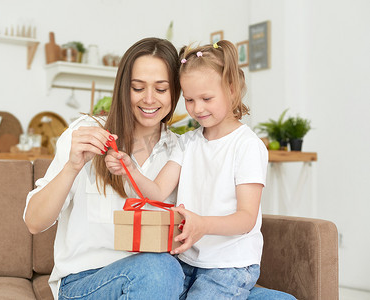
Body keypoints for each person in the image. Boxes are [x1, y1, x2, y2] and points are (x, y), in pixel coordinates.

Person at [106, 40, 296, 300]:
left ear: (231, 90)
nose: (197, 108)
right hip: (187, 260)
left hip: (228, 266)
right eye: (189, 100)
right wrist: (132, 170)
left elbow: (246, 218)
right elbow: (158, 191)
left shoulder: (247, 146)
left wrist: (202, 225)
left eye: (206, 98)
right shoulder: (187, 143)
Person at [23, 37, 185, 300]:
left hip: (160, 284)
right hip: (85, 283)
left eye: (161, 89)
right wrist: (72, 167)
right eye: (138, 87)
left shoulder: (180, 150)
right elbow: (34, 222)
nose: (149, 99)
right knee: (159, 269)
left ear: (175, 92)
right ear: (124, 88)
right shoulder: (86, 133)